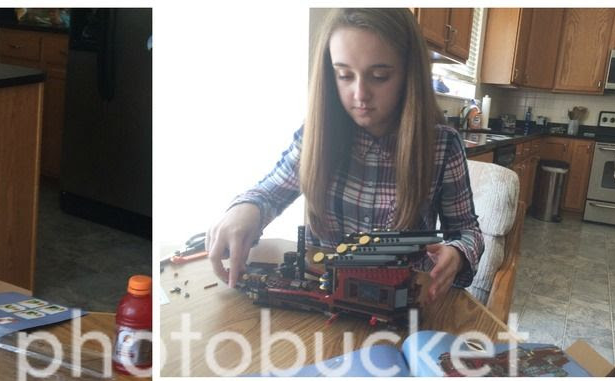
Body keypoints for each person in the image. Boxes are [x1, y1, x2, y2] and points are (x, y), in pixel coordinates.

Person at [207, 9, 484, 303]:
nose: (360, 94)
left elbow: (468, 232)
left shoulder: (442, 146)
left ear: (408, 74)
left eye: (379, 76)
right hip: (325, 298)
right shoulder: (317, 134)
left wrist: (456, 253)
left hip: (401, 301)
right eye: (344, 75)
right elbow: (268, 194)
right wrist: (246, 209)